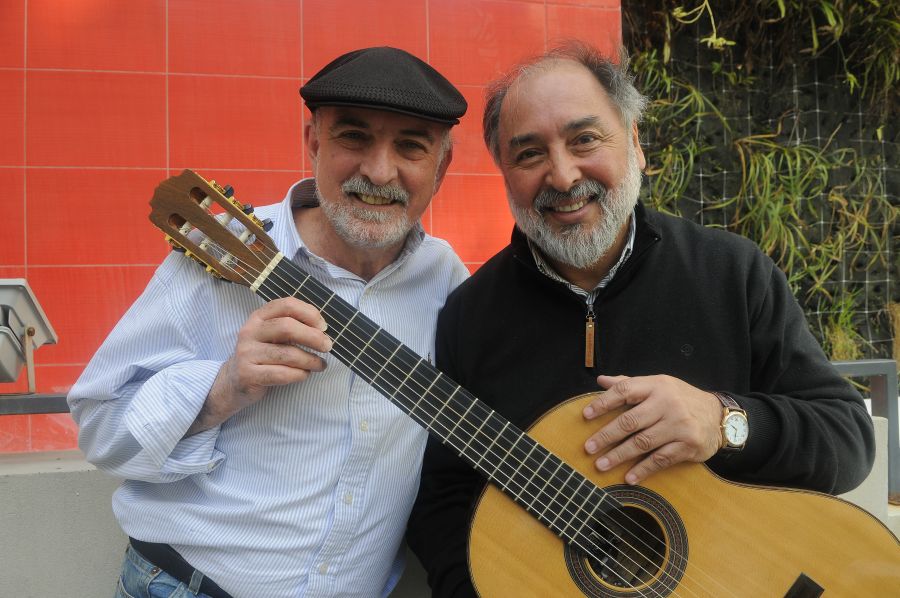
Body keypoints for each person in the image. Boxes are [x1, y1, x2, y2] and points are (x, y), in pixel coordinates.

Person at [406, 40, 875, 596]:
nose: (561, 176)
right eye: (529, 153)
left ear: (634, 143)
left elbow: (847, 441)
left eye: (584, 139)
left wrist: (722, 421)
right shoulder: (469, 314)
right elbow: (446, 496)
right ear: (504, 172)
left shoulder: (731, 273)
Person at [68, 46, 469, 598]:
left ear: (441, 167)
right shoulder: (228, 247)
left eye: (411, 146)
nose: (379, 170)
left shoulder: (446, 278)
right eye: (353, 137)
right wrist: (224, 385)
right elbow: (100, 428)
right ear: (313, 143)